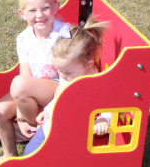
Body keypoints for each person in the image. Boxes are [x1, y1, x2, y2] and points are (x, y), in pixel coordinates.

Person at [0, 0, 71, 167]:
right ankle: (9, 155)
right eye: (32, 11)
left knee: (19, 84)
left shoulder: (65, 34)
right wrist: (21, 114)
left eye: (46, 8)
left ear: (56, 6)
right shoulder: (23, 38)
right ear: (22, 14)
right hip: (32, 91)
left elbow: (68, 75)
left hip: (61, 89)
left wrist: (24, 118)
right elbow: (25, 74)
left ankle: (33, 128)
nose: (39, 15)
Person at [24, 15, 111, 155]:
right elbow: (59, 97)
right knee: (29, 152)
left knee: (61, 157)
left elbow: (109, 103)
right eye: (58, 69)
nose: (62, 75)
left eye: (67, 72)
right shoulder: (67, 76)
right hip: (53, 126)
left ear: (88, 64)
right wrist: (48, 111)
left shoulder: (95, 82)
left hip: (76, 133)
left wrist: (103, 119)